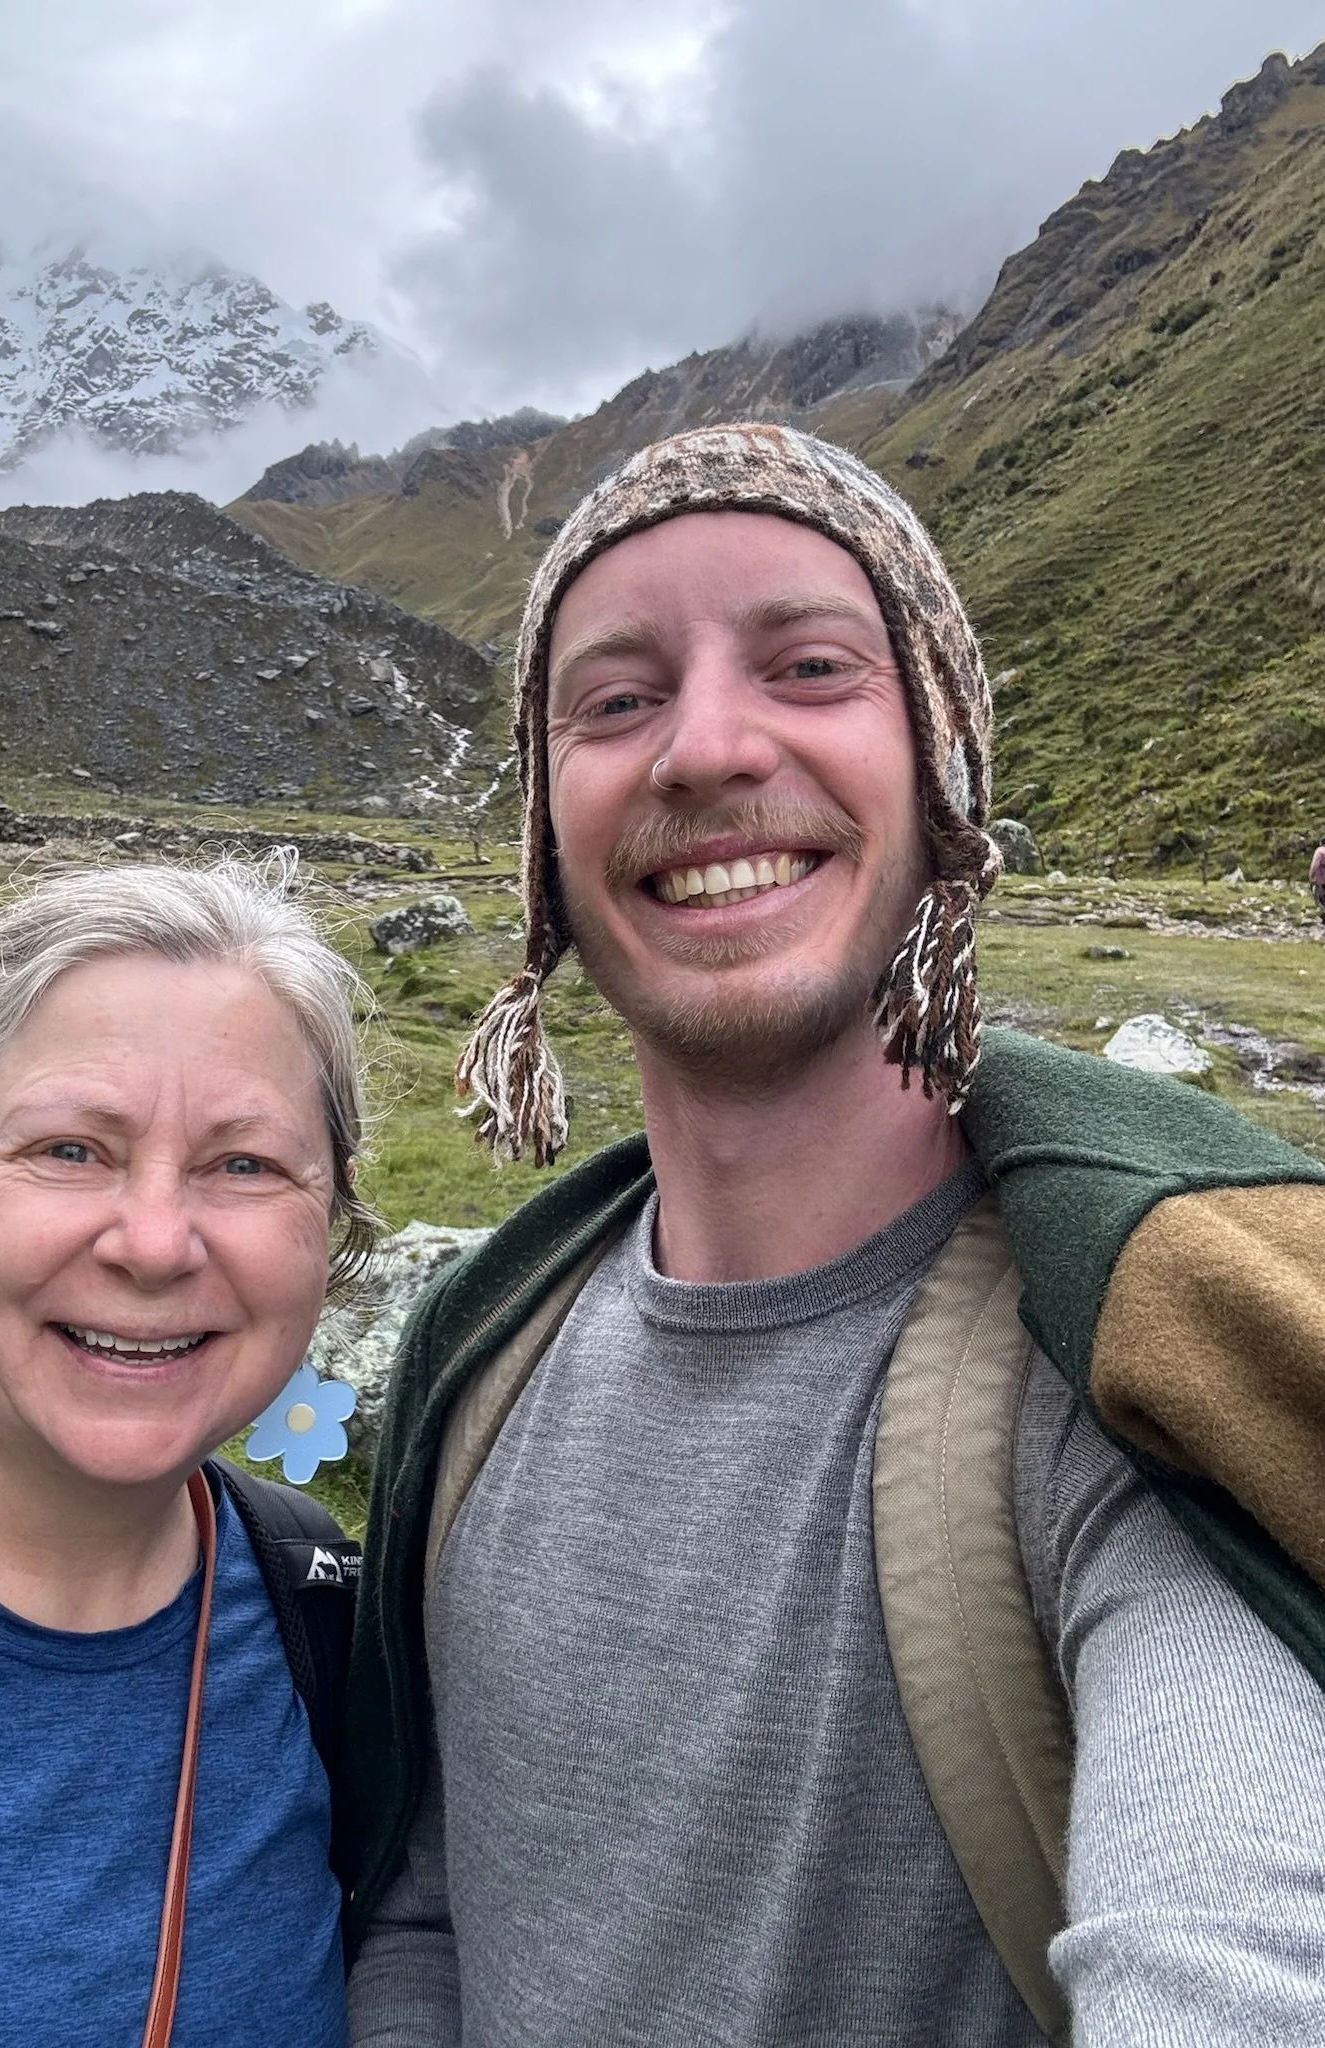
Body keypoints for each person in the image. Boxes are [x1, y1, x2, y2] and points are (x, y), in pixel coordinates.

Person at [343, 424, 1325, 2047]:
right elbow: (430, 1903)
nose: (703, 749)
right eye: (614, 697)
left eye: (808, 665)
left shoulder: (1128, 1360)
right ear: (542, 832)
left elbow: (1240, 1958)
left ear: (942, 771)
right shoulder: (477, 1361)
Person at [0, 858, 374, 2046]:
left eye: (245, 1163)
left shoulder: (335, 1620)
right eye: (70, 1148)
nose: (156, 1242)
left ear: (330, 1240)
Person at [1311, 837, 1325, 927]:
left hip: (1322, 880)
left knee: (1321, 899)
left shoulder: (1320, 851)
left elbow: (1315, 865)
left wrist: (1312, 878)